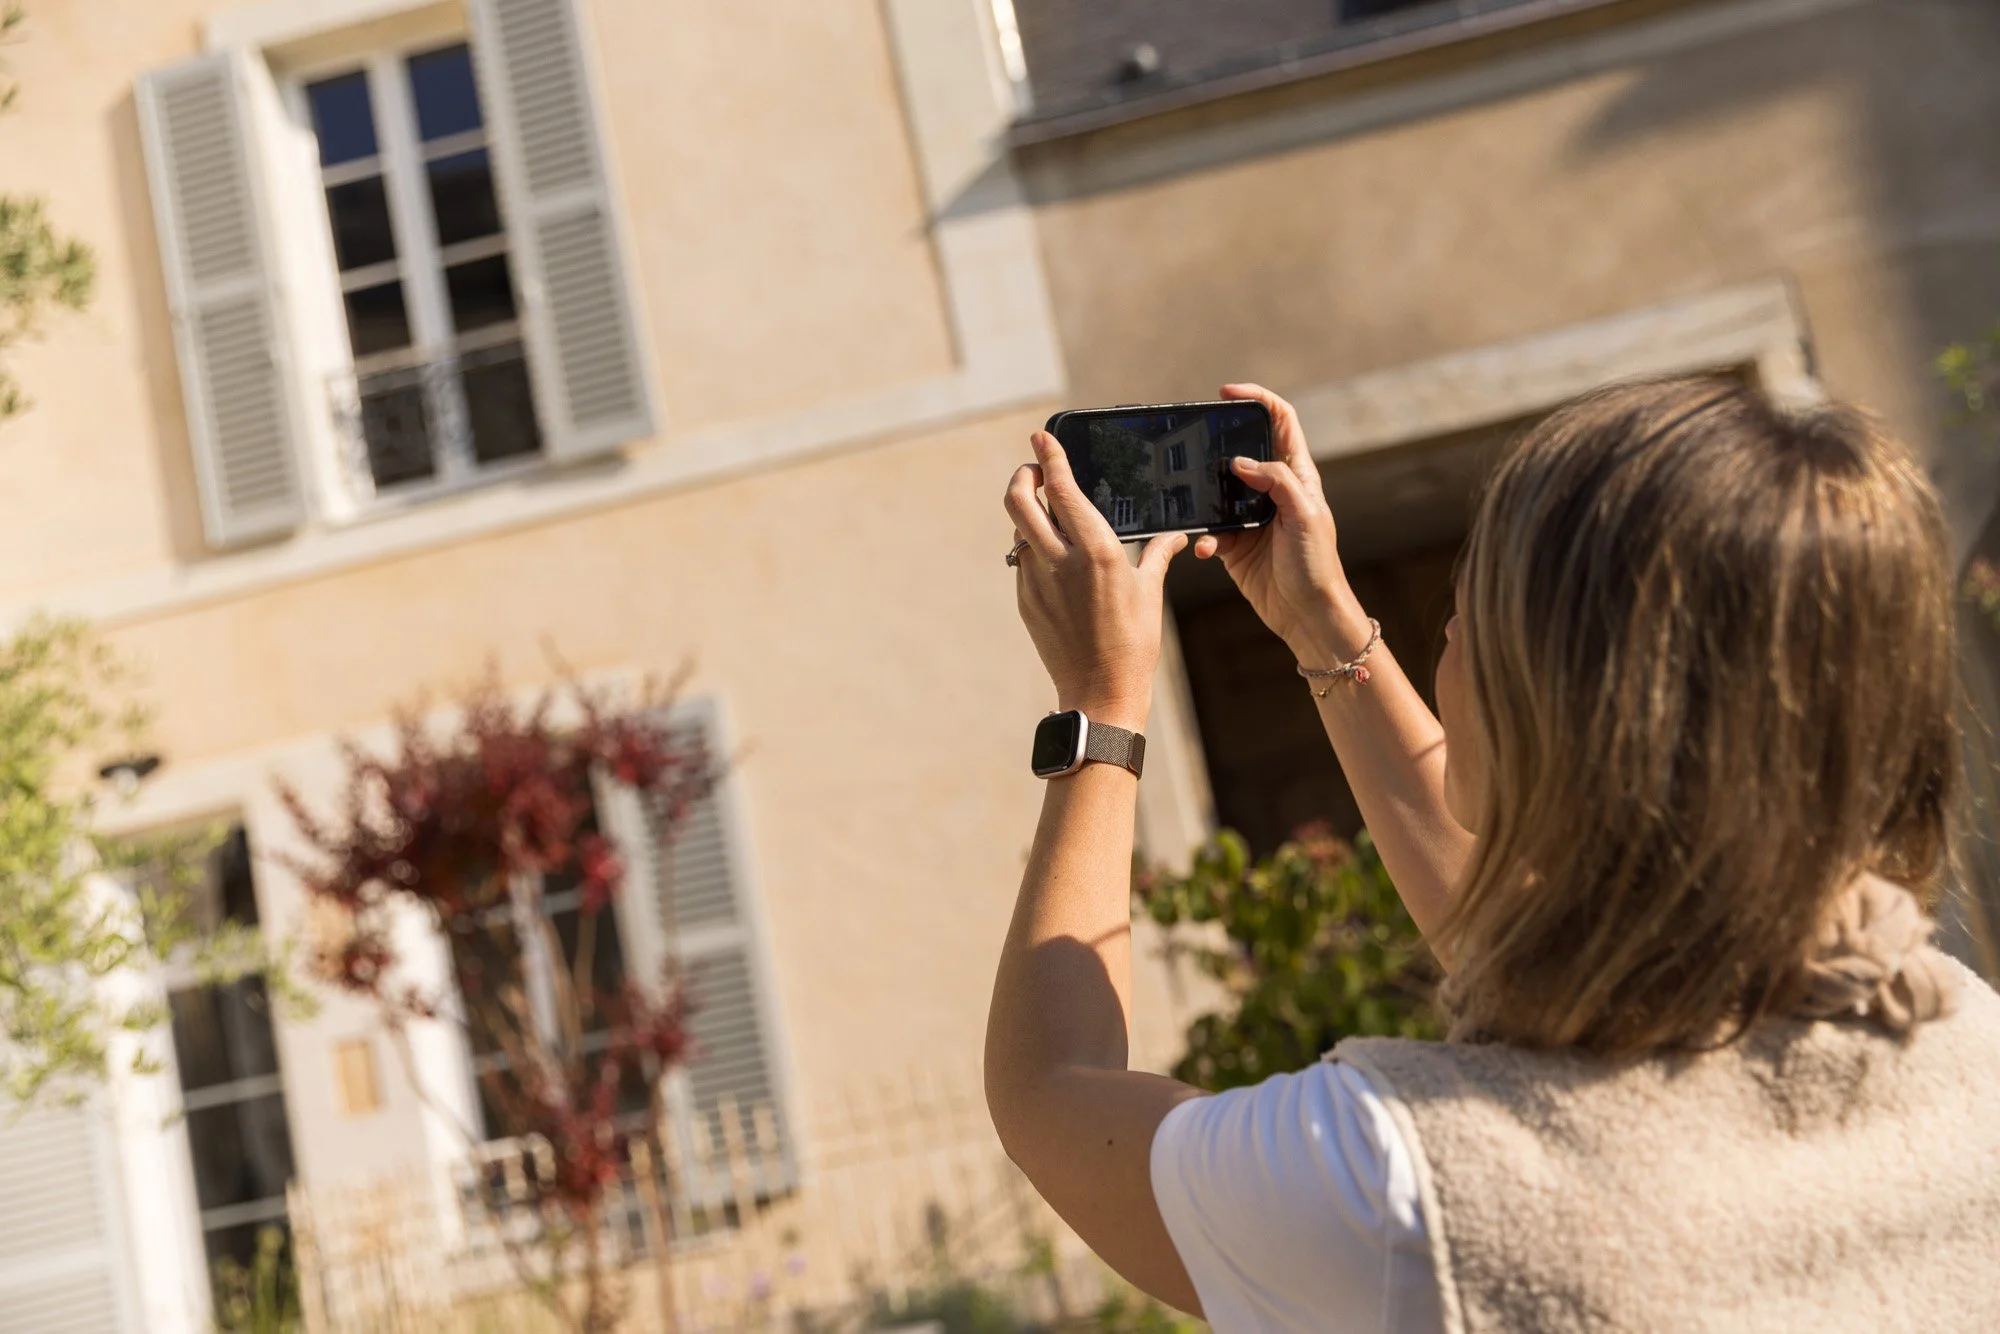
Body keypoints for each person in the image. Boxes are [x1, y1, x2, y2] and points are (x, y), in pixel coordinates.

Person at [986, 377, 2000, 1333]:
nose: (1440, 645)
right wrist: (1314, 620)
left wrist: (1099, 705)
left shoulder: (1403, 1185)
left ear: (1555, 705)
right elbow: (1539, 957)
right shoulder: (1961, 1043)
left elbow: (1051, 1091)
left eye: (1463, 615)